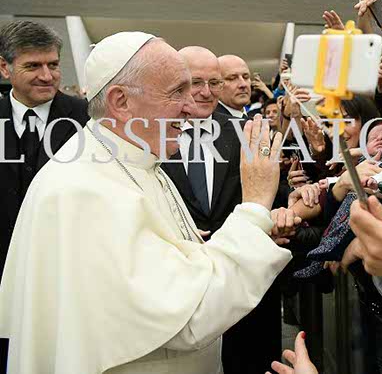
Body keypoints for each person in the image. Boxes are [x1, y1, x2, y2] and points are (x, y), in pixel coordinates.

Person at [0, 32, 292, 374]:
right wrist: (254, 207)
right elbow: (189, 315)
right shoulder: (84, 190)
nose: (191, 106)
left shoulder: (135, 159)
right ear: (121, 101)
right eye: (177, 91)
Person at [162, 46, 286, 374]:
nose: (206, 92)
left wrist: (281, 215)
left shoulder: (251, 134)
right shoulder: (148, 135)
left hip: (245, 294)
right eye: (196, 82)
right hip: (181, 291)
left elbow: (277, 198)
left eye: (214, 83)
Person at [0, 20, 89, 370]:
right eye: (33, 66)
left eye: (53, 64)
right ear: (5, 67)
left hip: (65, 274)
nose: (47, 76)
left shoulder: (87, 119)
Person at [216, 54, 251, 119]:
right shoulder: (209, 122)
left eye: (245, 77)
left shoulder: (258, 120)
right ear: (215, 84)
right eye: (232, 78)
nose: (243, 84)